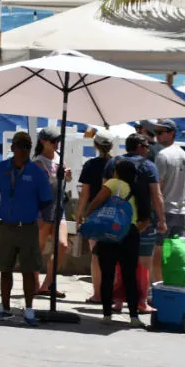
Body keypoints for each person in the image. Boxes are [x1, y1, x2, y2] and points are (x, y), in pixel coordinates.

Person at [0, 130, 52, 325]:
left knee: (29, 269)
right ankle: (4, 306)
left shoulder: (37, 172)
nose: (23, 150)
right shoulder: (2, 168)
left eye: (27, 147)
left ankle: (29, 308)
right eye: (19, 146)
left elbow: (47, 201)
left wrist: (48, 224)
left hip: (28, 227)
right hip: (6, 226)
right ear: (12, 148)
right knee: (4, 267)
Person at [82, 158, 150, 327]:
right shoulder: (139, 188)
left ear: (117, 172)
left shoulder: (114, 183)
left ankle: (106, 315)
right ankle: (134, 316)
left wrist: (87, 216)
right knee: (129, 277)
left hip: (110, 233)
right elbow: (146, 219)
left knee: (107, 275)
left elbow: (97, 201)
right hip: (131, 234)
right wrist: (131, 231)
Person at [103, 133, 167, 312]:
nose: (148, 150)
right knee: (144, 261)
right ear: (139, 146)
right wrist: (162, 220)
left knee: (118, 261)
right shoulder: (149, 166)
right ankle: (141, 302)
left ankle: (117, 301)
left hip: (117, 220)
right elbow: (157, 195)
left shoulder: (113, 163)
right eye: (146, 146)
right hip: (143, 220)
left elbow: (105, 190)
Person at [76, 129, 115, 303]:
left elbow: (84, 194)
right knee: (113, 256)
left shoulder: (90, 165)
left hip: (94, 212)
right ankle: (112, 293)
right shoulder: (116, 165)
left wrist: (79, 215)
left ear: (95, 145)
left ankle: (98, 294)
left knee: (96, 255)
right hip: (114, 214)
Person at [33, 126, 71, 297]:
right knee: (38, 249)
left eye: (58, 140)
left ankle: (48, 283)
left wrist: (67, 176)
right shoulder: (38, 162)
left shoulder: (59, 158)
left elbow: (65, 181)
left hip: (59, 208)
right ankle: (35, 284)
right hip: (43, 209)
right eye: (53, 141)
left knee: (62, 245)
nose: (57, 144)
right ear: (43, 142)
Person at [153, 118, 185, 283]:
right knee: (172, 256)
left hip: (165, 210)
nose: (157, 136)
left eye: (160, 132)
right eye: (156, 132)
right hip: (180, 211)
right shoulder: (184, 155)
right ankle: (170, 287)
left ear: (171, 133)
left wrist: (157, 215)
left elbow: (157, 188)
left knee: (158, 255)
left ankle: (156, 292)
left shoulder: (162, 155)